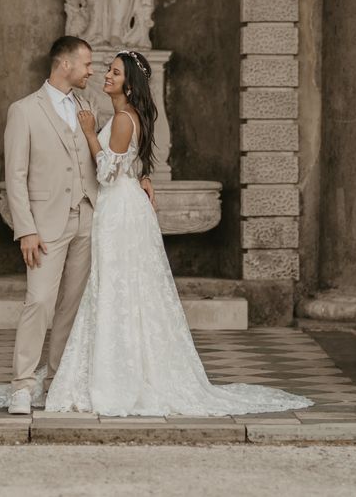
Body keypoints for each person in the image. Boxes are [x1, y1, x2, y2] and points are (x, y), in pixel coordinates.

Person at [43, 50, 314, 416]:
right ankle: (118, 370)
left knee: (115, 287)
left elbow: (107, 171)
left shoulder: (123, 119)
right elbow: (129, 164)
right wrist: (142, 175)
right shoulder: (128, 116)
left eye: (115, 72)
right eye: (107, 70)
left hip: (119, 209)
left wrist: (91, 134)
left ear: (129, 83)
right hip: (123, 205)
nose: (106, 75)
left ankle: (117, 378)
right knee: (120, 288)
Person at [0, 36, 154, 415]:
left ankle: (56, 382)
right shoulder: (24, 111)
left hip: (91, 219)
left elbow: (111, 158)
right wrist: (25, 228)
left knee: (71, 308)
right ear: (65, 65)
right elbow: (16, 174)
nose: (93, 71)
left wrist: (139, 176)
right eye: (87, 64)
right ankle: (22, 386)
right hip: (46, 225)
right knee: (38, 301)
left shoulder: (86, 106)